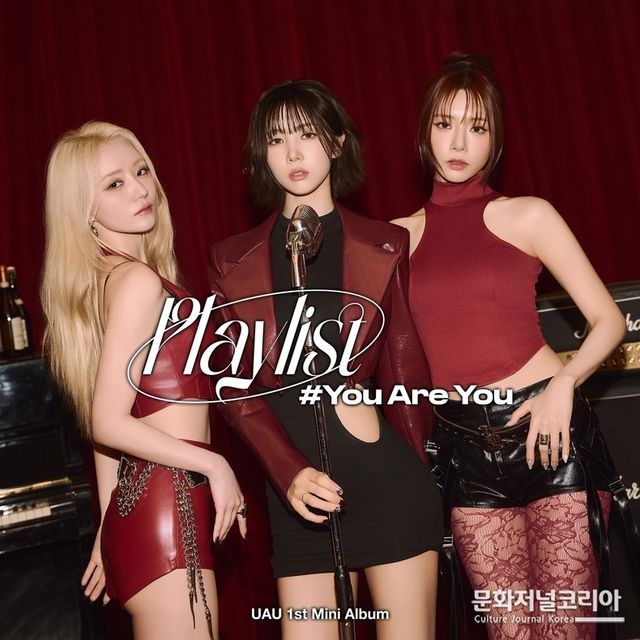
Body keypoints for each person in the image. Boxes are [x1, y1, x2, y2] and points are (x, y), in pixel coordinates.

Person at [393, 52, 632, 640]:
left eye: (477, 127)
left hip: (551, 435)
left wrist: (564, 384)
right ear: (424, 130)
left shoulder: (528, 216)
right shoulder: (394, 240)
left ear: (495, 139)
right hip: (464, 451)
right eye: (445, 123)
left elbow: (608, 320)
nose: (458, 142)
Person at [209, 80, 443, 640]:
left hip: (388, 491)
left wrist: (429, 473)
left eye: (307, 134)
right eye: (276, 139)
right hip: (298, 503)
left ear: (336, 143)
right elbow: (234, 389)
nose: (292, 152)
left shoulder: (385, 244)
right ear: (262, 154)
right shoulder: (232, 260)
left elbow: (405, 373)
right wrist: (288, 472)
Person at [41, 121, 247, 640]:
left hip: (147, 511)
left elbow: (106, 424)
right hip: (169, 512)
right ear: (85, 211)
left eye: (141, 172)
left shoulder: (109, 278)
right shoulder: (136, 281)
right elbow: (107, 421)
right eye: (114, 183)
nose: (139, 189)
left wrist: (109, 525)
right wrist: (214, 463)